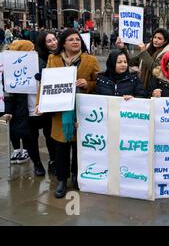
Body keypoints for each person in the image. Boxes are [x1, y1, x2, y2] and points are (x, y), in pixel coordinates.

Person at [45, 28, 100, 198]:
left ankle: (77, 175)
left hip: (81, 110)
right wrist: (41, 104)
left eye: (77, 39)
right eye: (71, 39)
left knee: (78, 147)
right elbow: (46, 83)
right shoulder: (53, 59)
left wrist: (88, 84)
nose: (75, 41)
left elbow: (100, 82)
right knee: (61, 147)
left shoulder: (90, 60)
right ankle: (62, 179)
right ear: (63, 43)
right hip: (60, 110)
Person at [3, 40, 46, 176]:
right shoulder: (10, 69)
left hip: (43, 107)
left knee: (50, 137)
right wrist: (8, 111)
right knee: (30, 139)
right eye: (31, 49)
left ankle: (53, 162)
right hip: (25, 110)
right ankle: (37, 164)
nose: (34, 51)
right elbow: (8, 93)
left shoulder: (40, 62)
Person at [31, 31, 59, 174]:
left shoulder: (60, 55)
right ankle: (38, 163)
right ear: (43, 44)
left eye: (54, 39)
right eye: (49, 41)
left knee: (50, 133)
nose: (53, 43)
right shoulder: (35, 59)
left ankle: (53, 160)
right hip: (36, 101)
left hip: (52, 101)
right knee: (35, 134)